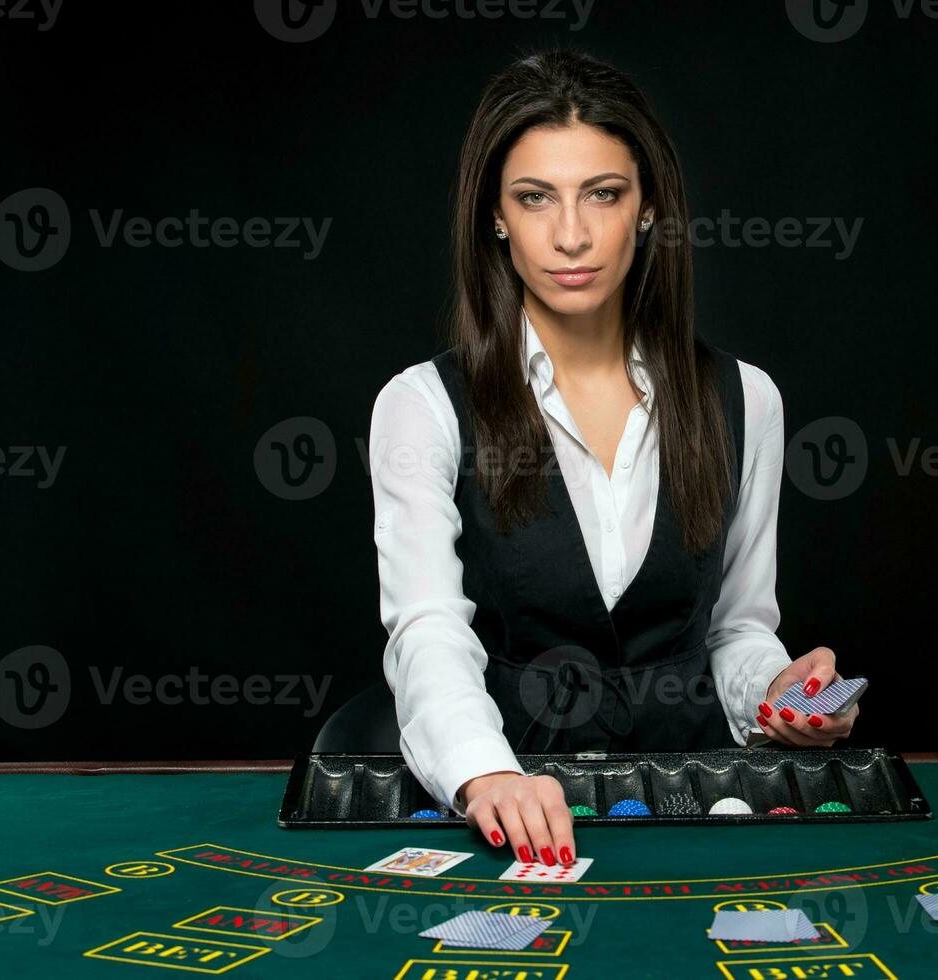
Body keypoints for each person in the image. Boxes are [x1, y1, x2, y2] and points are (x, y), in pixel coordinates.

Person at [364, 48, 860, 871]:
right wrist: (486, 776)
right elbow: (427, 629)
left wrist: (779, 695)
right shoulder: (419, 405)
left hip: (697, 807)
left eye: (603, 193)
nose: (571, 234)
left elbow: (735, 628)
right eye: (534, 198)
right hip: (516, 805)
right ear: (494, 215)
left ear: (647, 208)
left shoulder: (749, 400)